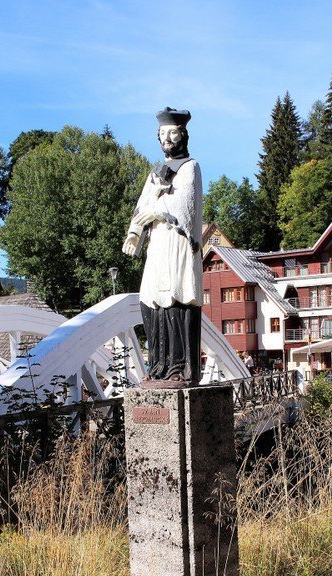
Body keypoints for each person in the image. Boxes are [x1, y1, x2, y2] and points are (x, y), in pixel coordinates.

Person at [122, 107, 204, 387]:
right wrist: (134, 233)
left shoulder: (190, 167)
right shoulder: (156, 172)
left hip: (178, 244)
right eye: (162, 134)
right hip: (157, 245)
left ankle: (179, 368)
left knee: (176, 300)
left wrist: (156, 210)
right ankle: (158, 366)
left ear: (183, 134)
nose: (166, 139)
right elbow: (142, 205)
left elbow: (185, 207)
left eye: (171, 133)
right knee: (152, 301)